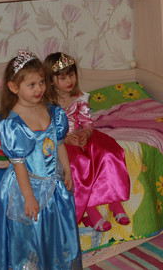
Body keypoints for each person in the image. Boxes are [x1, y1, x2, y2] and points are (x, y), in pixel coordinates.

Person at [0, 49, 82, 269]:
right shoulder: (13, 124)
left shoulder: (52, 111)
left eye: (41, 82)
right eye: (31, 85)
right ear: (14, 87)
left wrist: (67, 171)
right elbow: (19, 164)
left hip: (53, 183)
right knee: (33, 237)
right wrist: (28, 196)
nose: (39, 89)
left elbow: (59, 144)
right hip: (28, 186)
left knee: (56, 234)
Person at [43, 52, 131, 232]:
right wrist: (65, 138)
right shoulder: (47, 104)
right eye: (63, 78)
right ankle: (90, 209)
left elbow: (86, 122)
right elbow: (45, 129)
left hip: (82, 136)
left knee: (109, 154)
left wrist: (86, 132)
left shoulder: (79, 97)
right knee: (78, 164)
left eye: (71, 75)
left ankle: (114, 201)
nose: (69, 81)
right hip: (61, 142)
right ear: (51, 81)